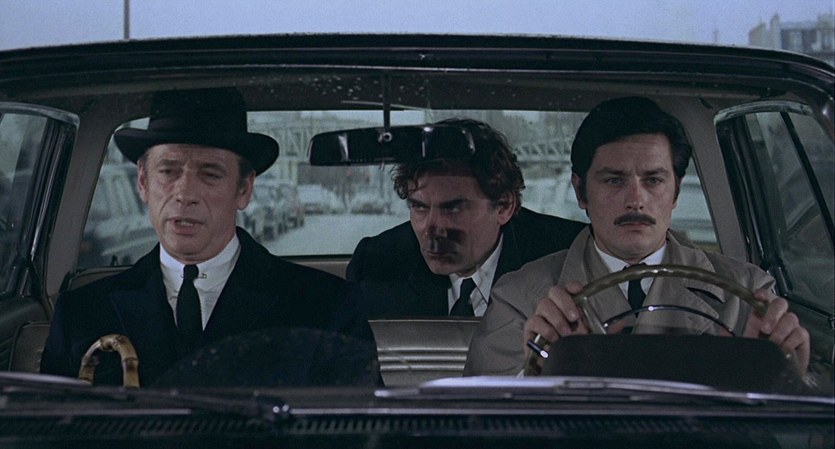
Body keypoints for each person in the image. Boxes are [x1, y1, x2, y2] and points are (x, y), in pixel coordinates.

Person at [40, 88, 370, 386]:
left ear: (244, 189)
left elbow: (360, 428)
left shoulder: (326, 309)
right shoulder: (81, 315)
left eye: (210, 174)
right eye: (168, 172)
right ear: (143, 182)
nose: (185, 194)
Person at [464, 97, 810, 376]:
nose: (636, 200)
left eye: (653, 180)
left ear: (675, 193)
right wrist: (538, 374)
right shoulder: (520, 298)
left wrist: (777, 374)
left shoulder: (747, 294)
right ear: (581, 192)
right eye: (614, 180)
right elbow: (482, 419)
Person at [346, 118, 586, 318]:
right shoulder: (377, 266)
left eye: (452, 209)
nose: (432, 229)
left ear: (503, 207)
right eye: (419, 207)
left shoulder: (568, 255)